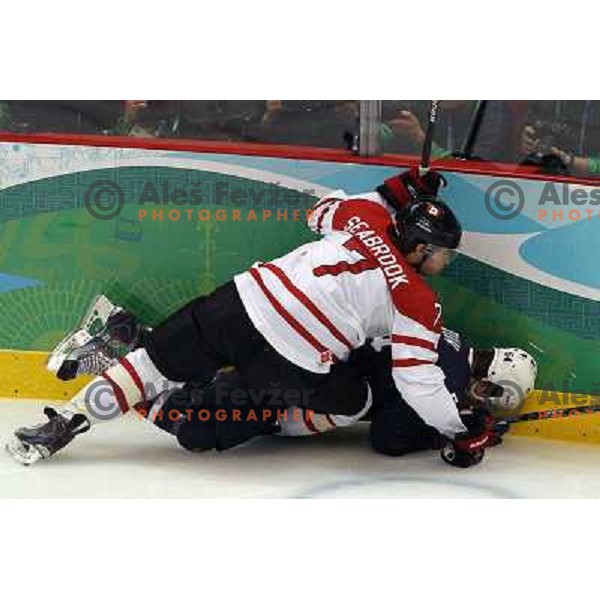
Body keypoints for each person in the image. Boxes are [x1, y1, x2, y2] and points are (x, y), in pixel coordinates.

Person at [9, 169, 498, 469]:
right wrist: (458, 430)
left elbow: (321, 212)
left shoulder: (362, 220)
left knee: (153, 363)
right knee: (217, 425)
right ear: (419, 247)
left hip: (241, 303)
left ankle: (65, 420)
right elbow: (418, 384)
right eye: (442, 255)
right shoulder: (418, 299)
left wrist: (394, 192)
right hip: (289, 363)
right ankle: (255, 420)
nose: (444, 264)